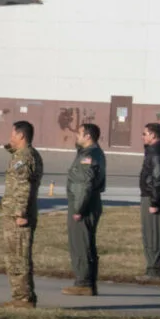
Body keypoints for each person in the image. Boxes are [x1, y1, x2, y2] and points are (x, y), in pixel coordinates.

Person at [0, 120, 43, 308]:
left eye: (13, 134)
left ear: (21, 135)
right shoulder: (26, 154)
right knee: (16, 256)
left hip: (18, 216)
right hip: (16, 212)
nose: (10, 137)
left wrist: (20, 213)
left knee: (18, 257)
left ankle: (23, 297)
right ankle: (21, 295)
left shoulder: (23, 158)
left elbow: (24, 186)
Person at [63, 123, 106, 296]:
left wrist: (78, 209)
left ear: (88, 136)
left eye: (79, 133)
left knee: (80, 244)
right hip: (90, 201)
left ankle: (83, 282)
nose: (77, 136)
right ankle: (89, 281)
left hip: (84, 203)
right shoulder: (94, 152)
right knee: (87, 243)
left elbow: (83, 185)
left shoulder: (87, 156)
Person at [138, 123, 160, 281]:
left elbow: (158, 179)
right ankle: (151, 268)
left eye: (145, 134)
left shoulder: (157, 152)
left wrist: (154, 202)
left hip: (153, 197)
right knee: (149, 234)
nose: (142, 136)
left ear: (153, 135)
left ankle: (154, 270)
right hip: (150, 195)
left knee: (154, 235)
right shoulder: (156, 149)